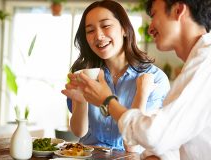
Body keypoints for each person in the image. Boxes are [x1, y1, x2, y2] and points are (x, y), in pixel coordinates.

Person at [75, 0, 211, 159]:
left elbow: (154, 135)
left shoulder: (205, 64)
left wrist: (107, 101)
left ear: (178, 10)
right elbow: (169, 143)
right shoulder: (196, 64)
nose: (150, 28)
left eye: (153, 15)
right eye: (90, 30)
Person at [61, 0, 170, 151]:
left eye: (105, 26)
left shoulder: (154, 79)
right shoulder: (84, 73)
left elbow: (132, 146)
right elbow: (79, 132)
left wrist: (141, 93)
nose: (98, 36)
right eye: (90, 30)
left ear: (124, 29)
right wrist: (80, 100)